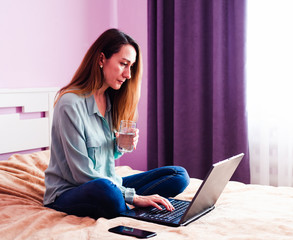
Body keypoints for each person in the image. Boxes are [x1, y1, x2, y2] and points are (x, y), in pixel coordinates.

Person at [43, 28, 190, 219]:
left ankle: (125, 202)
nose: (128, 74)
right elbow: (82, 174)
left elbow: (103, 158)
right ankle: (127, 204)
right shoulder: (70, 104)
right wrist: (134, 197)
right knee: (108, 191)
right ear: (101, 59)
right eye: (123, 64)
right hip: (71, 191)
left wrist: (118, 145)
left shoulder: (109, 99)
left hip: (109, 183)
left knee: (178, 175)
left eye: (131, 66)